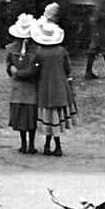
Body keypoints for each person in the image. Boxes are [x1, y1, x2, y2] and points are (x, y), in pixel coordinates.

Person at [28, 19, 76, 157]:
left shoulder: (39, 53)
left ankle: (51, 145)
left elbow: (34, 71)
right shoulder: (61, 51)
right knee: (55, 118)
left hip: (45, 89)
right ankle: (53, 146)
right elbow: (68, 69)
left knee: (49, 117)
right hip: (60, 89)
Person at [5, 13, 39, 154]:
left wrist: (14, 72)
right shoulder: (37, 50)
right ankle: (30, 144)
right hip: (31, 88)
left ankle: (24, 144)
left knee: (21, 118)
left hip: (18, 89)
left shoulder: (11, 49)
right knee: (31, 118)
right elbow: (35, 71)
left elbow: (9, 68)